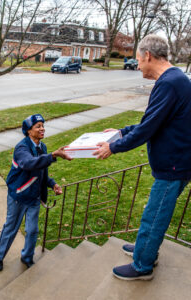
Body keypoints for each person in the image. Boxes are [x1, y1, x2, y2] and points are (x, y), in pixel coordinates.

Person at [93, 34, 191, 280]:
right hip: (178, 161)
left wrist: (113, 147)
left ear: (148, 55)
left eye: (138, 60)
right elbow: (153, 121)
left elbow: (148, 129)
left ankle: (142, 266)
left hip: (174, 164)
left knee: (155, 215)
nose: (137, 66)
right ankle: (145, 249)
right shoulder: (175, 79)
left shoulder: (169, 83)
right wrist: (121, 132)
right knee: (154, 210)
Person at [0, 114, 72, 271]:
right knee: (11, 228)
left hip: (34, 198)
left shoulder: (42, 147)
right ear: (28, 131)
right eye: (38, 126)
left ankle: (27, 257)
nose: (42, 128)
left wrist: (52, 184)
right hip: (19, 196)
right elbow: (29, 163)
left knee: (32, 230)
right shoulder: (21, 148)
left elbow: (41, 172)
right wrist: (53, 155)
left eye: (43, 125)